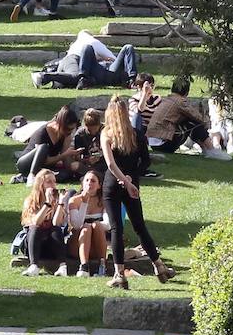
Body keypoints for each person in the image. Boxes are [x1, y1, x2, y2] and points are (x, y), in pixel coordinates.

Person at [100, 96, 174, 289]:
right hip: (132, 184)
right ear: (126, 113)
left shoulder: (106, 134)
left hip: (112, 185)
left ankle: (119, 274)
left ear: (110, 114)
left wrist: (123, 180)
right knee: (139, 225)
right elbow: (146, 161)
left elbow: (110, 164)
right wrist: (132, 179)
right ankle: (158, 265)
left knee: (116, 228)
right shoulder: (136, 134)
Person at [146, 78, 232, 160]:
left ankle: (206, 149)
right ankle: (211, 150)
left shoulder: (166, 100)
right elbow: (199, 118)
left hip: (153, 143)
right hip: (164, 143)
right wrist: (206, 123)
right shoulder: (180, 102)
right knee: (194, 122)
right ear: (187, 92)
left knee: (187, 121)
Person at [32, 31, 138, 90]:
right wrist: (105, 58)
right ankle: (44, 76)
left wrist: (100, 58)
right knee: (75, 76)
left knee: (75, 75)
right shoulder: (92, 41)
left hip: (102, 71)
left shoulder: (76, 44)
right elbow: (112, 58)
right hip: (99, 69)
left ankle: (82, 79)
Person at [13, 106, 82, 185]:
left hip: (45, 167)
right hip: (27, 164)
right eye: (68, 129)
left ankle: (33, 177)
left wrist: (73, 166)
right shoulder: (43, 132)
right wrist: (64, 155)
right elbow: (44, 160)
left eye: (72, 129)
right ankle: (31, 175)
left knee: (65, 175)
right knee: (43, 147)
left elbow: (65, 160)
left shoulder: (66, 135)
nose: (69, 132)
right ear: (60, 125)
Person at [20, 169, 69, 277]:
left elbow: (57, 223)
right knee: (35, 228)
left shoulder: (57, 201)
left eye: (54, 181)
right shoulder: (31, 201)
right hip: (33, 245)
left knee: (55, 229)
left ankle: (62, 267)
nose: (53, 185)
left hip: (52, 246)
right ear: (40, 184)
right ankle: (34, 266)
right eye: (49, 182)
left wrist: (60, 204)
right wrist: (47, 204)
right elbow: (36, 222)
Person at [67, 170, 110, 277]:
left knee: (96, 225)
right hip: (77, 244)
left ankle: (102, 266)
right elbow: (76, 225)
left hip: (96, 246)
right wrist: (84, 202)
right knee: (86, 228)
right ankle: (84, 266)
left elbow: (108, 224)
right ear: (82, 183)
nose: (89, 183)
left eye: (93, 181)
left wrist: (94, 225)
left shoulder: (104, 201)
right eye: (86, 180)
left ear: (99, 185)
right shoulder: (74, 201)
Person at [72, 108, 106, 176]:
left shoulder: (105, 130)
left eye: (95, 130)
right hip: (88, 164)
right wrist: (87, 160)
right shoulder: (80, 134)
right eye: (90, 130)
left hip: (104, 162)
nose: (93, 133)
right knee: (74, 165)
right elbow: (77, 157)